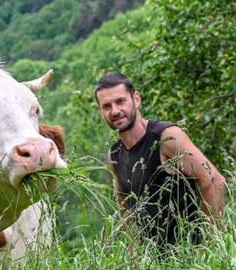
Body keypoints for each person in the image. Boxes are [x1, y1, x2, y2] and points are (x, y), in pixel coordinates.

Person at [95, 73, 226, 248]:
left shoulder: (165, 137)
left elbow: (214, 180)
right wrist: (134, 258)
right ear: (101, 111)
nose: (115, 111)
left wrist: (211, 246)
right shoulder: (115, 155)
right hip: (155, 268)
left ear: (136, 99)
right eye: (106, 106)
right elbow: (126, 208)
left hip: (191, 257)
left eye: (120, 101)